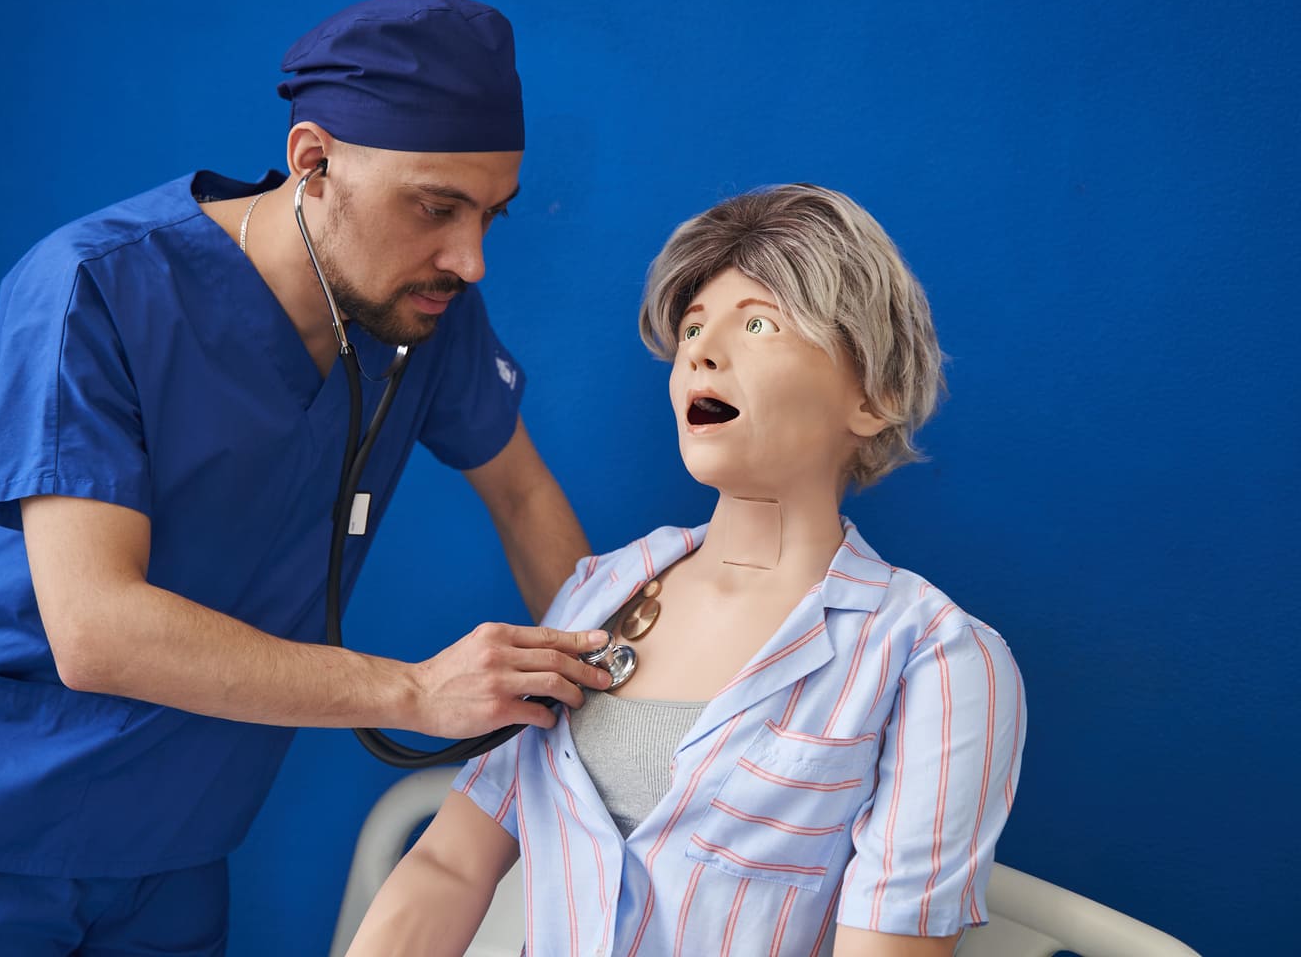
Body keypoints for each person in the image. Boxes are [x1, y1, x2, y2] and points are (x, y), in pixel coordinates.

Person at [0, 0, 613, 955]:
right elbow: (96, 630)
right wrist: (414, 692)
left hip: (178, 843)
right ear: (313, 159)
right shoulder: (95, 288)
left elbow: (521, 494)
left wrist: (612, 694)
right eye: (435, 208)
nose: (468, 260)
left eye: (489, 216)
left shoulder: (421, 312)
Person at [350, 184, 1027, 956]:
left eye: (761, 324)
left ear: (873, 398)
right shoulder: (598, 592)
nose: (700, 350)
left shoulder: (933, 658)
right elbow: (447, 863)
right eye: (694, 327)